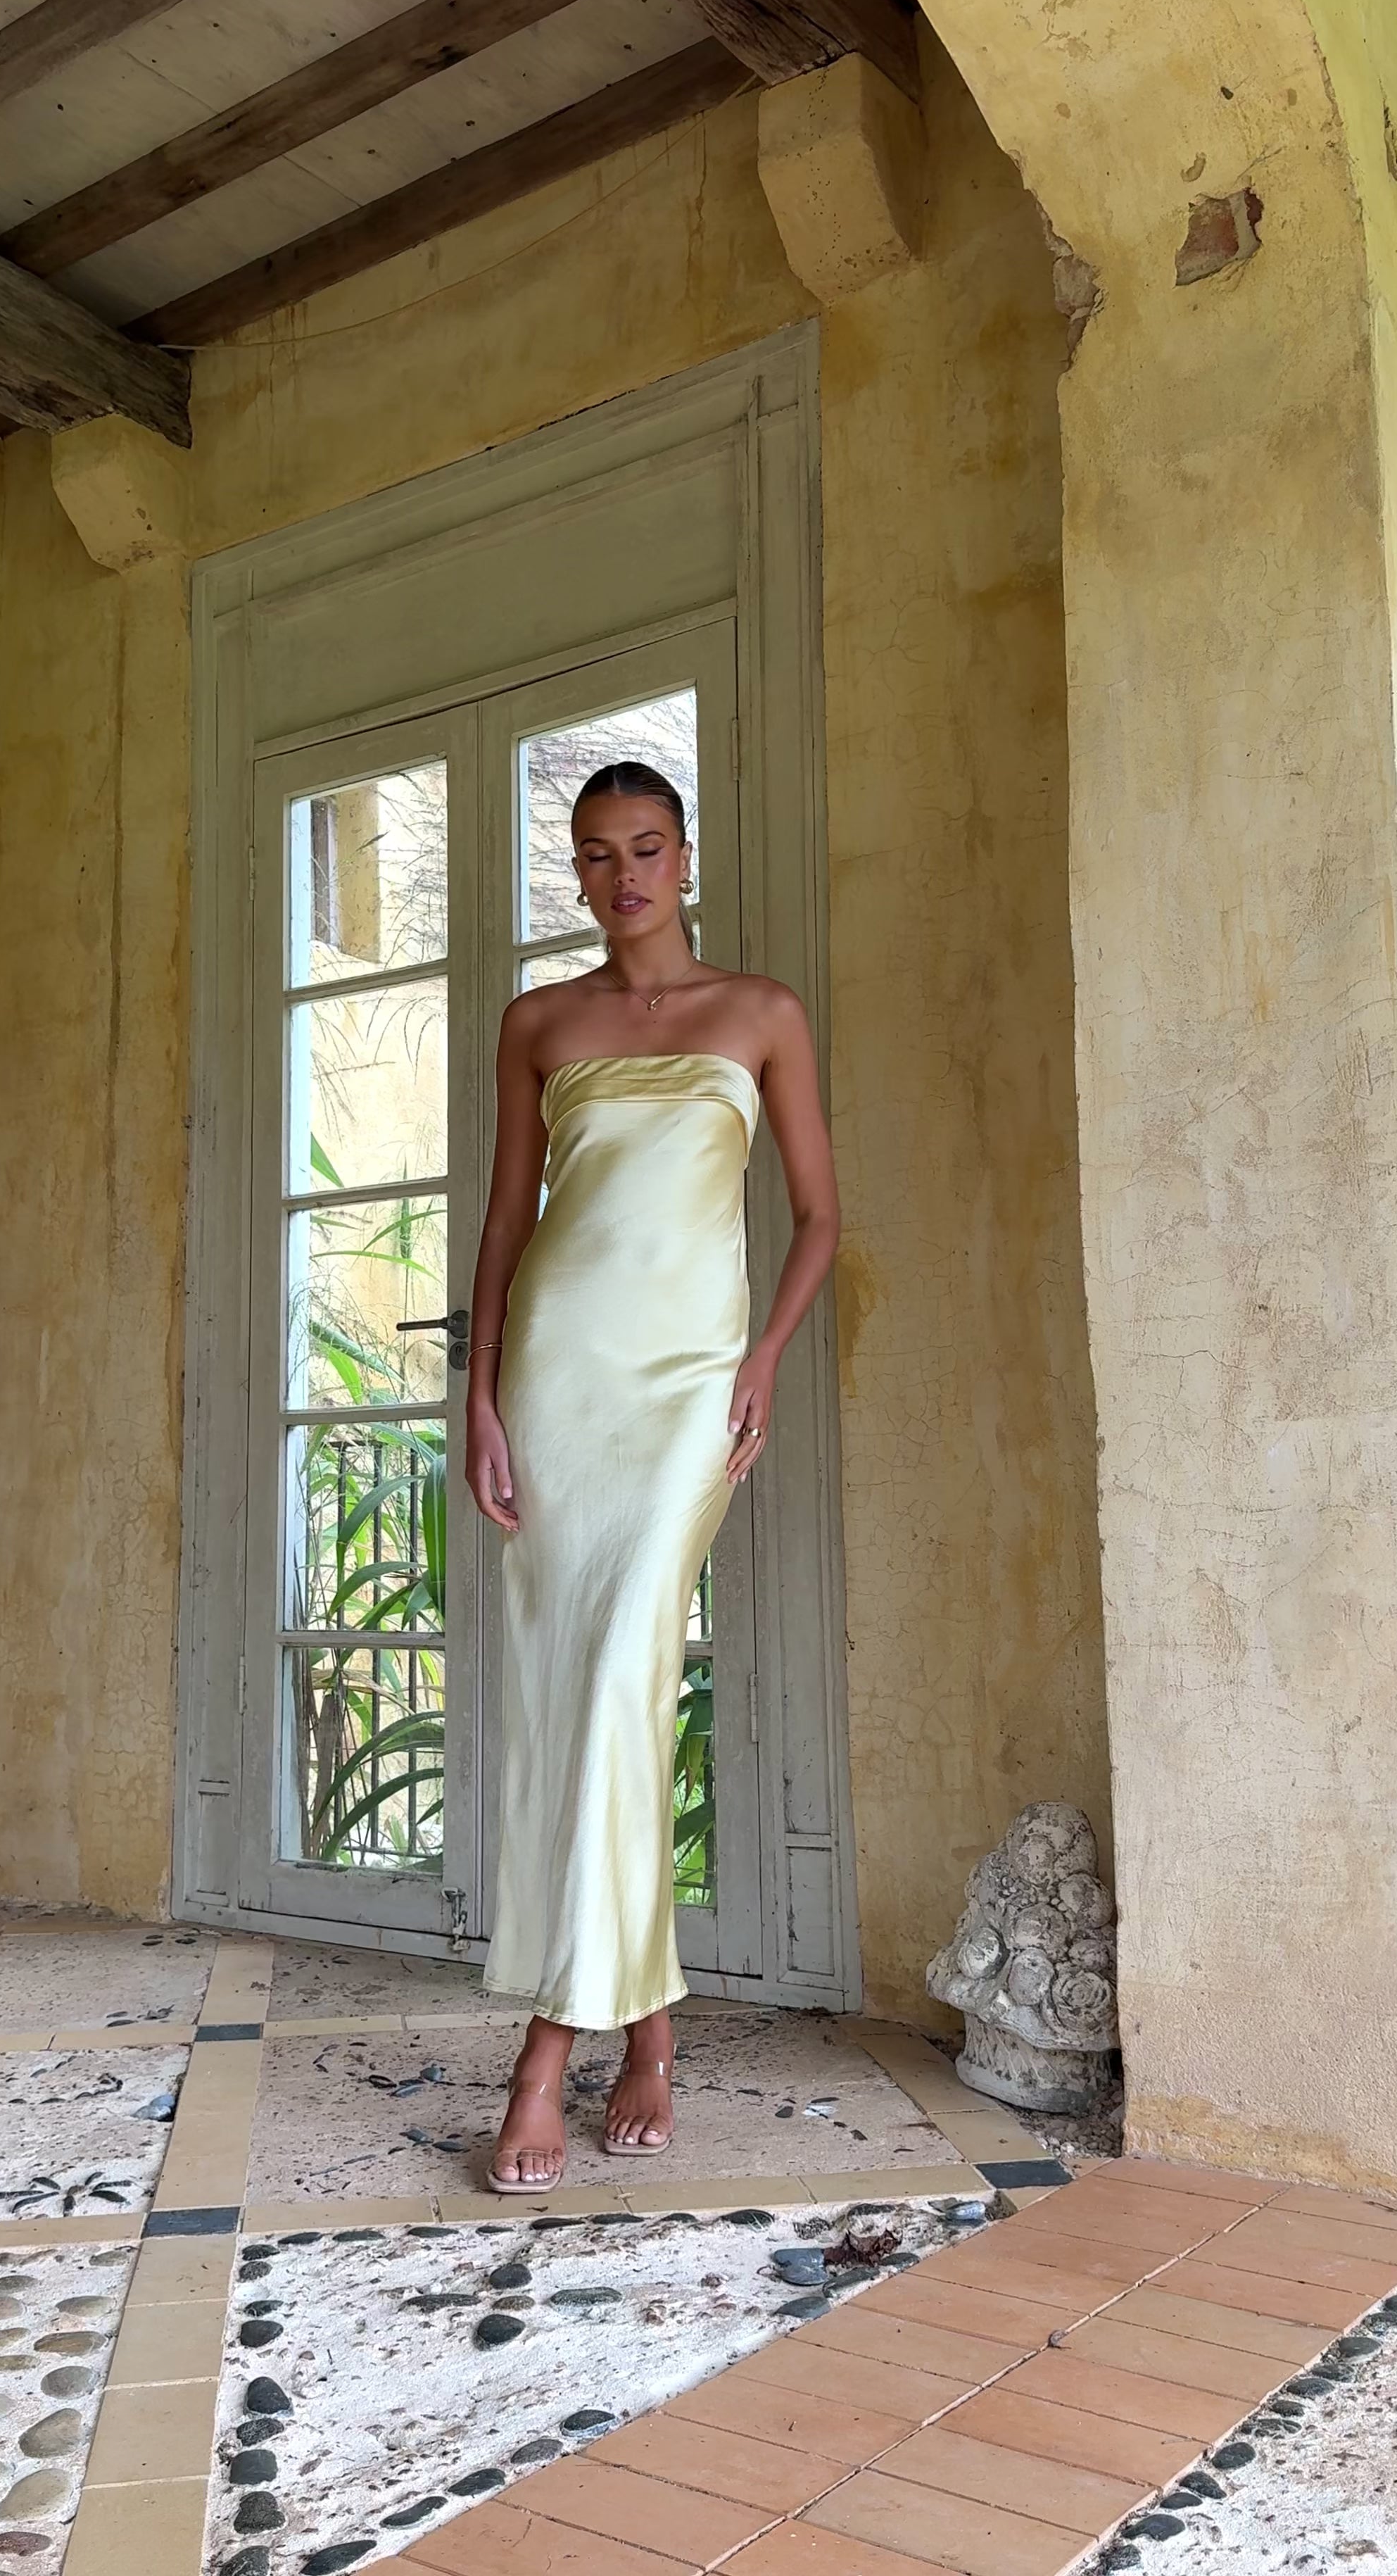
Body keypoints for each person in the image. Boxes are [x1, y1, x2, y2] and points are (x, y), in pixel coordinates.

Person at [465, 759, 840, 2192]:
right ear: (575, 873)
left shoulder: (763, 1015)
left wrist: (764, 1360)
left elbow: (817, 1217)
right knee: (584, 1698)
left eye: (646, 848)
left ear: (686, 857)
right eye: (595, 854)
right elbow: (508, 1220)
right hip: (560, 1378)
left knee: (625, 1668)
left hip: (690, 1388)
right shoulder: (538, 1023)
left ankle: (542, 2058)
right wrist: (480, 1392)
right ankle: (652, 2038)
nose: (622, 876)